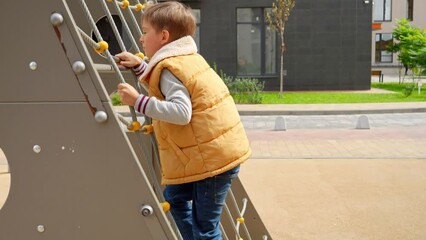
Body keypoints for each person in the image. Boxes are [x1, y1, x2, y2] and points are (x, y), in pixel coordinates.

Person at [116, 2, 251, 239]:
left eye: (145, 32)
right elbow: (169, 87)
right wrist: (141, 67)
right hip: (211, 156)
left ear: (164, 36)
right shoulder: (186, 59)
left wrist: (138, 101)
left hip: (211, 164)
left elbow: (181, 111)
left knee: (205, 228)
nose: (141, 38)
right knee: (174, 198)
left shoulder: (171, 68)